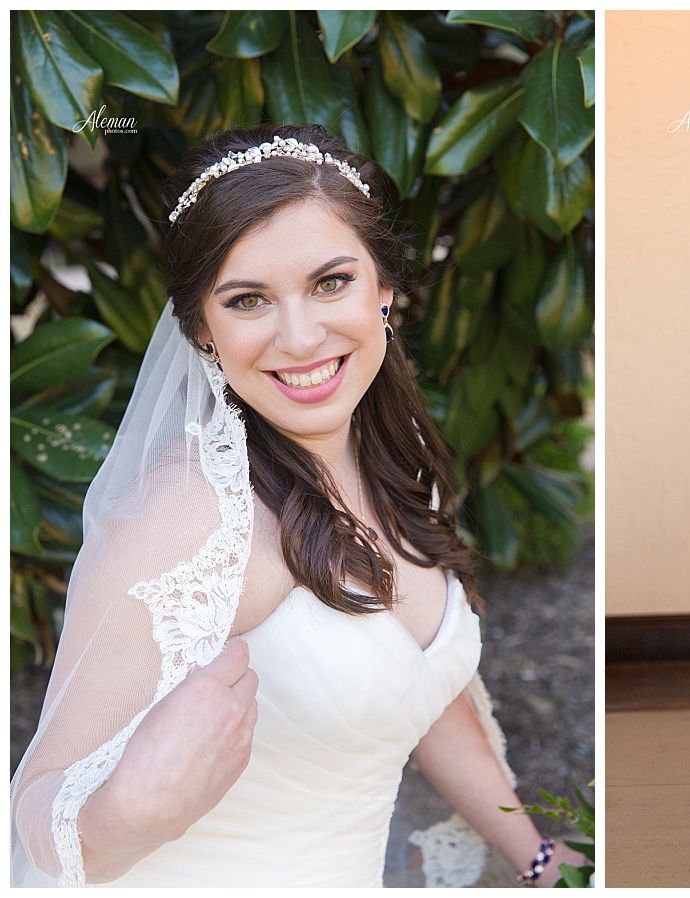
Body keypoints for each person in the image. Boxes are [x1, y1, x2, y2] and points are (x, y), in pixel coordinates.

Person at [10, 125, 585, 887]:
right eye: (248, 300)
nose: (302, 336)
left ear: (384, 288)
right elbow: (36, 807)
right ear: (202, 331)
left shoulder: (398, 458)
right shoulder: (191, 518)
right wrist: (131, 809)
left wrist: (537, 854)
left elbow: (424, 688)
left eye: (330, 282)